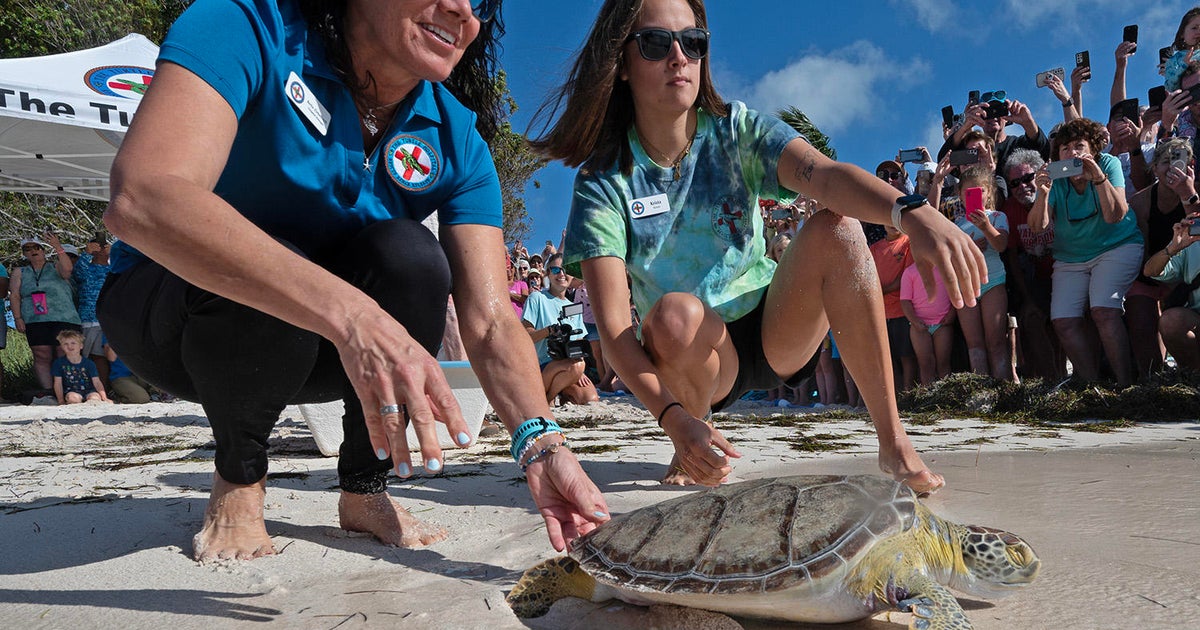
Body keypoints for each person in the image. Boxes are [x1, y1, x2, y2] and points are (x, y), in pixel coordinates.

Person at [98, 0, 608, 562]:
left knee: (412, 257)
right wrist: (353, 315)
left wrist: (540, 444)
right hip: (171, 320)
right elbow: (142, 196)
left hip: (321, 354)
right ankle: (239, 478)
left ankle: (364, 489)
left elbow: (490, 321)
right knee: (269, 256)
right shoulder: (248, 25)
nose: (461, 9)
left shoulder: (456, 135)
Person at [531, 0, 985, 493]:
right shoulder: (605, 179)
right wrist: (673, 420)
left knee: (839, 228)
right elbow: (617, 333)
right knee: (675, 315)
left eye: (693, 41)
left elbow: (825, 176)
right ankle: (696, 436)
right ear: (622, 62)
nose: (678, 57)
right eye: (656, 43)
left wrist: (912, 212)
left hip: (774, 327)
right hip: (691, 351)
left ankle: (893, 441)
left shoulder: (736, 130)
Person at [1027, 118, 1142, 387]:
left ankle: (1126, 386)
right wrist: (1042, 193)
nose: (1072, 153)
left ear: (1093, 150)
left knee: (1104, 310)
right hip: (1071, 257)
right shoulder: (1055, 179)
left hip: (1117, 246)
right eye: (1065, 148)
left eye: (1079, 146)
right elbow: (1037, 227)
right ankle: (1092, 387)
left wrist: (1099, 179)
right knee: (1063, 321)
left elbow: (1116, 215)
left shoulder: (1108, 164)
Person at [1128, 138, 1198, 378]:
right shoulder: (1140, 202)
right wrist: (1162, 280)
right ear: (1154, 168)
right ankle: (1153, 379)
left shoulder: (1196, 193)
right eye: (1166, 162)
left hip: (1190, 272)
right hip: (1157, 264)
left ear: (1191, 165)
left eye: (1179, 161)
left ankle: (1189, 373)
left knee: (1175, 319)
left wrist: (1188, 194)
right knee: (1140, 317)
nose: (1172, 168)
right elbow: (1143, 256)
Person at [1001, 149, 1065, 381]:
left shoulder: (1058, 195)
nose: (1022, 186)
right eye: (1015, 182)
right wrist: (1027, 297)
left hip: (1067, 272)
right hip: (1036, 279)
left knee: (1063, 319)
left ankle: (1074, 376)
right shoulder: (1010, 209)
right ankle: (1051, 381)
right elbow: (1012, 259)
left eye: (1028, 178)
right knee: (1031, 316)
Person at [953, 166, 1015, 381]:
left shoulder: (997, 216)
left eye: (979, 191)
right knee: (974, 345)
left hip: (993, 281)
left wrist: (986, 227)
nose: (973, 196)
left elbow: (1001, 245)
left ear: (989, 192)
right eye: (968, 192)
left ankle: (1003, 387)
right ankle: (981, 391)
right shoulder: (956, 225)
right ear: (960, 194)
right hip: (966, 285)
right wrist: (968, 247)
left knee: (996, 340)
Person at [522, 254, 599, 405]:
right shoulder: (537, 298)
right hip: (542, 364)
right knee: (576, 366)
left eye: (565, 269)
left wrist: (579, 372)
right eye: (556, 269)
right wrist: (550, 331)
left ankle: (559, 394)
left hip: (570, 365)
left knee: (590, 398)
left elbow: (579, 341)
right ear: (547, 274)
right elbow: (525, 337)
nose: (561, 274)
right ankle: (547, 397)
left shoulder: (573, 307)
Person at [8, 234, 82, 390]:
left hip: (64, 317)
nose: (33, 251)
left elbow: (67, 271)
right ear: (24, 253)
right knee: (42, 354)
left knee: (65, 351)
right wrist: (17, 318)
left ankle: (70, 389)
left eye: (36, 247)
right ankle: (49, 391)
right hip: (35, 319)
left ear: (43, 250)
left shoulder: (55, 266)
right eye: (27, 249)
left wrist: (57, 246)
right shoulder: (20, 272)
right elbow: (15, 295)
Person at [1145, 213, 1200, 370]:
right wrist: (1172, 248)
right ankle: (1194, 379)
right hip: (1196, 319)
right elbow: (1151, 271)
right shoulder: (1192, 238)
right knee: (1172, 322)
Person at [901, 265, 956, 386]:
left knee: (943, 362)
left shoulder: (945, 268)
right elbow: (905, 301)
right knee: (925, 364)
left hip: (942, 325)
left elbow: (955, 293)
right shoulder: (909, 272)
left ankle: (945, 395)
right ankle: (929, 396)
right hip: (919, 327)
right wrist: (915, 321)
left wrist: (951, 314)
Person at [72, 234, 112, 388]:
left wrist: (114, 254)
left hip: (107, 321)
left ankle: (104, 389)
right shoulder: (85, 268)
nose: (100, 249)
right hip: (88, 319)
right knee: (84, 356)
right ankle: (83, 389)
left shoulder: (113, 270)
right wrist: (86, 253)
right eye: (96, 246)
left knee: (102, 357)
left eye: (103, 246)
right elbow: (77, 273)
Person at [51, 329, 109, 405]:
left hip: (89, 390)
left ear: (81, 346)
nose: (70, 346)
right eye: (65, 344)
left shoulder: (89, 363)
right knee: (73, 398)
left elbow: (97, 381)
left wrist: (104, 398)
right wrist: (60, 400)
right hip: (71, 391)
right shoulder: (58, 363)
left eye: (73, 343)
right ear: (61, 346)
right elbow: (58, 383)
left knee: (95, 398)